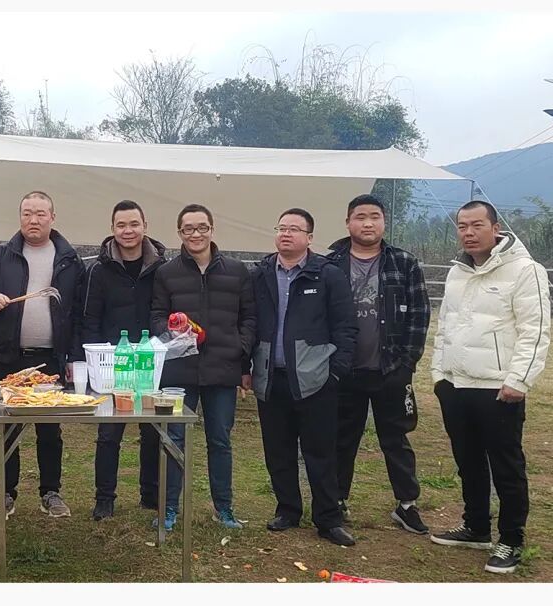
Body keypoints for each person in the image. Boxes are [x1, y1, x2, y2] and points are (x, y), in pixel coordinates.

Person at [430, 200, 550, 574]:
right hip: (455, 384)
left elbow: (536, 330)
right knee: (468, 461)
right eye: (462, 226)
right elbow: (445, 326)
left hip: (498, 388)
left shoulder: (525, 270)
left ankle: (511, 539)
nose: (468, 232)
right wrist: (439, 374)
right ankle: (476, 526)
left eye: (477, 225)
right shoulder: (457, 272)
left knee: (506, 466)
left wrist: (518, 380)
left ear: (496, 228)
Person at [0, 190, 85, 521]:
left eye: (40, 214)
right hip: (9, 357)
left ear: (52, 217)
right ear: (20, 216)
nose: (33, 220)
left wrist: (73, 356)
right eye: (27, 213)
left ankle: (51, 492)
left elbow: (78, 312)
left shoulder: (69, 260)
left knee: (49, 429)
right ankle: (5, 493)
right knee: (7, 428)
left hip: (50, 359)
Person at [250, 208, 358, 546]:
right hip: (271, 378)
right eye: (281, 228)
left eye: (294, 229)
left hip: (316, 380)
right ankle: (287, 509)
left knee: (321, 452)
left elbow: (346, 326)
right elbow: (250, 322)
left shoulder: (327, 275)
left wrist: (335, 371)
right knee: (277, 450)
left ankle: (328, 518)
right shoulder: (261, 274)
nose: (286, 234)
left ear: (309, 238)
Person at [326, 194, 431, 534]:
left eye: (374, 216)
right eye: (360, 217)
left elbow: (420, 315)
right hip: (344, 369)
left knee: (396, 438)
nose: (367, 223)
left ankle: (407, 504)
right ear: (348, 223)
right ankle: (337, 500)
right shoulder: (330, 264)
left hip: (390, 369)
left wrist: (407, 363)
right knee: (341, 438)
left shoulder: (404, 263)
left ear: (384, 222)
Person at [150, 203, 256, 531]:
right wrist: (171, 331)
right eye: (188, 229)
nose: (195, 234)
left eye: (202, 227)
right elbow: (156, 316)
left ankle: (224, 508)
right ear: (179, 233)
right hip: (179, 371)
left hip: (222, 369)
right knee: (174, 439)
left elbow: (250, 317)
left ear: (212, 229)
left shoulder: (237, 271)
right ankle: (169, 509)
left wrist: (240, 349)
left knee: (220, 440)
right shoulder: (166, 272)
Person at [83, 200, 166, 521]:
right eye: (121, 225)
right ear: (112, 229)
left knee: (152, 431)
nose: (127, 231)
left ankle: (150, 493)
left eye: (133, 224)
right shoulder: (99, 270)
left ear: (145, 226)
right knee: (108, 434)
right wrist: (88, 360)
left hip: (149, 361)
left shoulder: (162, 267)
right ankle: (104, 498)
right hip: (110, 363)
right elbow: (90, 318)